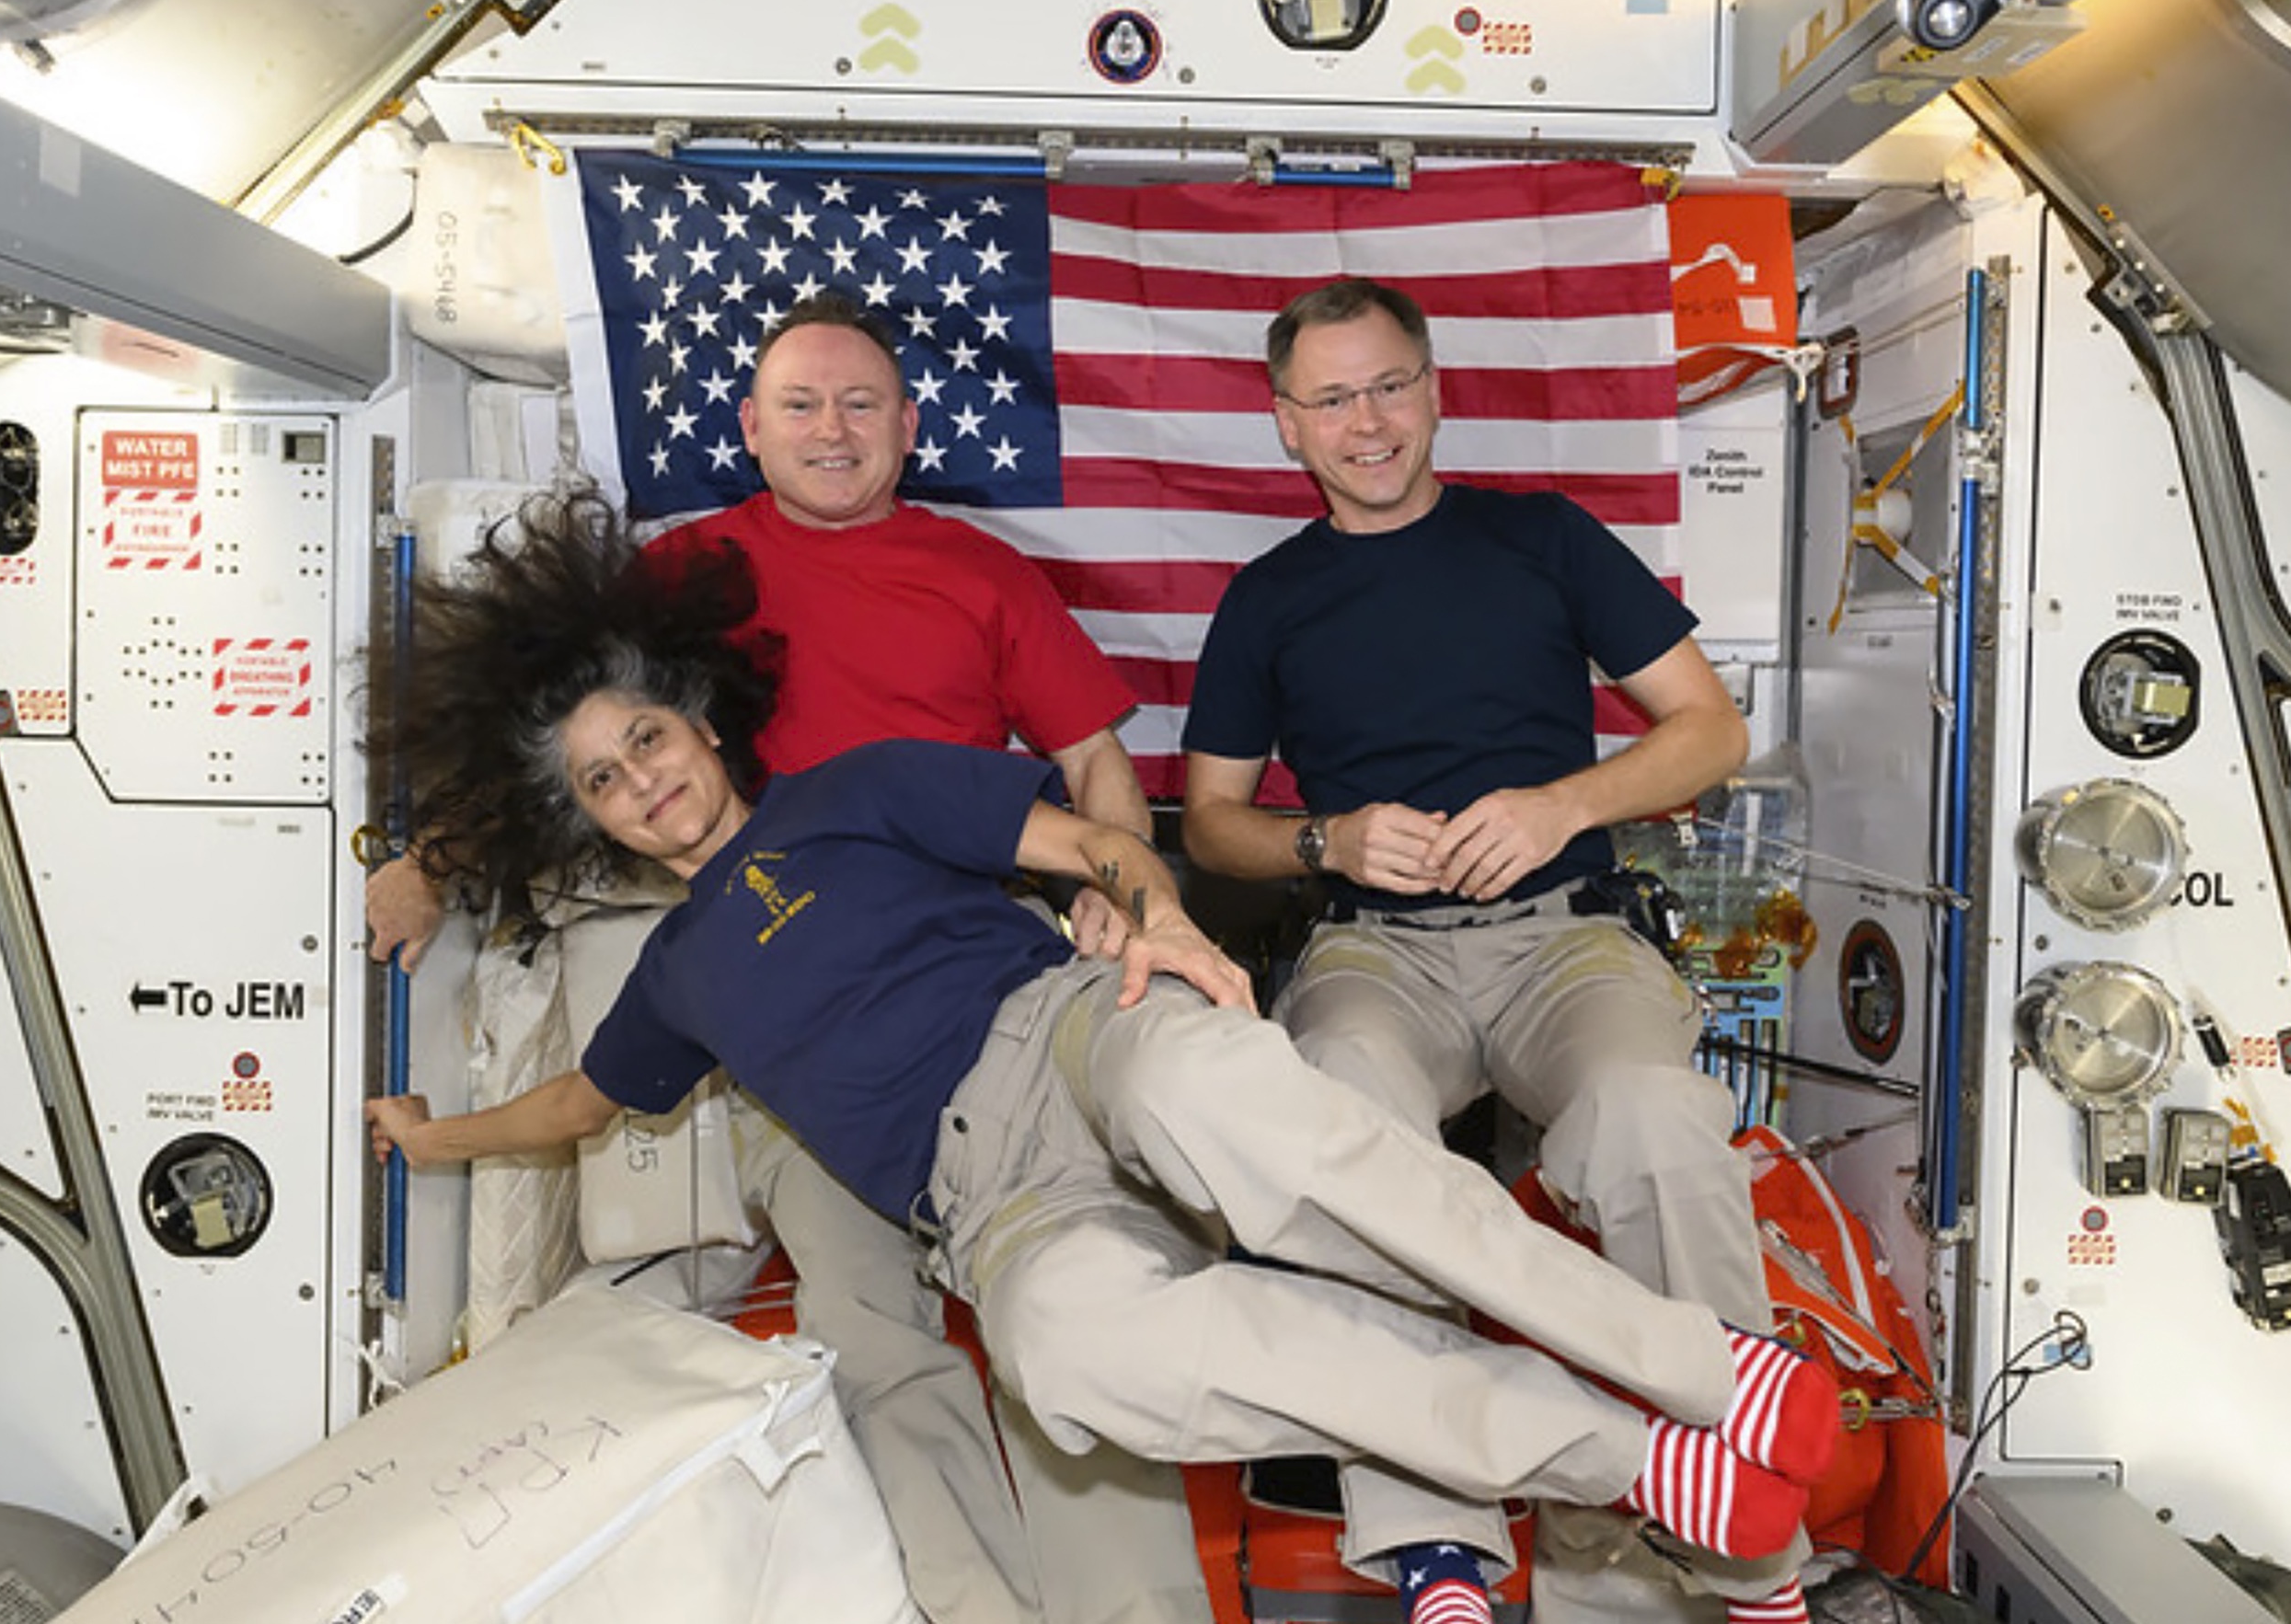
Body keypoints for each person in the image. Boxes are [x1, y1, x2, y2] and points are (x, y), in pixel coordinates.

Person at [364, 490, 1835, 1609]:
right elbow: (575, 1101)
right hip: (988, 1206)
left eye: (648, 743)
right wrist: (434, 1138)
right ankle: (1638, 1461)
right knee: (1070, 1359)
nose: (647, 786)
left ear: (693, 717)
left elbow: (1082, 837)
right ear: (593, 821)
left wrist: (1160, 926)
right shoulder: (676, 977)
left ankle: (1698, 1367)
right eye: (607, 786)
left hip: (1066, 1035)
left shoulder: (855, 786)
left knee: (1221, 1089)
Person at [365, 294, 1196, 1624]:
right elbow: (567, 741)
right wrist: (430, 862)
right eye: (800, 404)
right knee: (874, 1344)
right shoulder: (684, 574)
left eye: (861, 403)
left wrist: (1119, 890)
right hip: (788, 1029)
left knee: (1082, 1322)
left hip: (991, 989)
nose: (831, 428)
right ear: (749, 430)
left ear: (909, 428)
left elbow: (1100, 762)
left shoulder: (982, 573)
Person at [1179, 278, 1807, 1624]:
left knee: (1652, 1117)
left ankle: (1747, 1540)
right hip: (1373, 952)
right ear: (1287, 425)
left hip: (1564, 938)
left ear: (1436, 389)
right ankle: (1434, 1545)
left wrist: (1563, 803)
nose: (1368, 421)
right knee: (1343, 1119)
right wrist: (1324, 843)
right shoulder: (1266, 598)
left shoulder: (1544, 540)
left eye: (1390, 385)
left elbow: (1708, 730)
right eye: (1332, 398)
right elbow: (1213, 824)